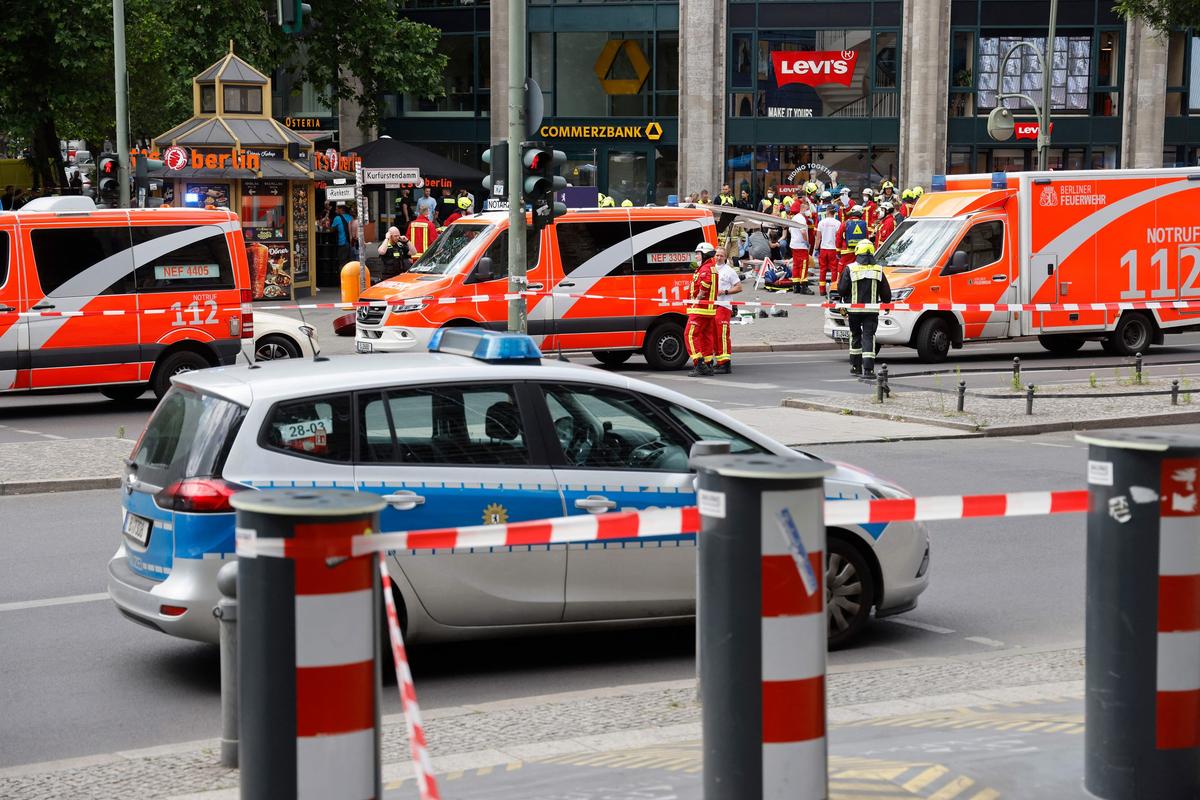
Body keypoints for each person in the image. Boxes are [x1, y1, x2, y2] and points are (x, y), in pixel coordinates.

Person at [835, 239, 891, 377]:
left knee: (855, 335)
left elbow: (841, 290)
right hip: (871, 311)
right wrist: (886, 303)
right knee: (868, 337)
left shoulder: (850, 269)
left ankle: (856, 366)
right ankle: (868, 369)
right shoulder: (878, 270)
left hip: (854, 311)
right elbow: (886, 293)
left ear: (857, 252)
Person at [684, 242, 718, 377]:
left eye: (698, 254)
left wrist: (698, 298)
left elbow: (706, 283)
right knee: (705, 337)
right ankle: (708, 364)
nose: (696, 256)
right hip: (708, 310)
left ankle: (699, 364)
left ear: (705, 254)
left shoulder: (706, 268)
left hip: (700, 309)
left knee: (690, 335)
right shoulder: (709, 267)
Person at [713, 249, 742, 373]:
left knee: (722, 334)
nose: (719, 257)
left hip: (724, 306)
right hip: (713, 306)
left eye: (721, 256)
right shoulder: (712, 269)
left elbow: (739, 287)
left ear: (725, 257)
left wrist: (725, 292)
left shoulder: (729, 271)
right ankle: (719, 361)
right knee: (715, 334)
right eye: (717, 255)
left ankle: (725, 363)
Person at [814, 203, 842, 296]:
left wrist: (816, 248)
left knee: (823, 269)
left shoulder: (821, 222)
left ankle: (822, 290)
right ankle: (833, 289)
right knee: (834, 270)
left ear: (827, 212)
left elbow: (818, 238)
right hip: (833, 249)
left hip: (823, 249)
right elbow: (839, 237)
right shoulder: (838, 223)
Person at [837, 205, 870, 272]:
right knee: (857, 271)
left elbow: (838, 237)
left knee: (842, 270)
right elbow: (866, 238)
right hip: (859, 252)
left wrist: (838, 250)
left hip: (846, 251)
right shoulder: (863, 224)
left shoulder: (845, 223)